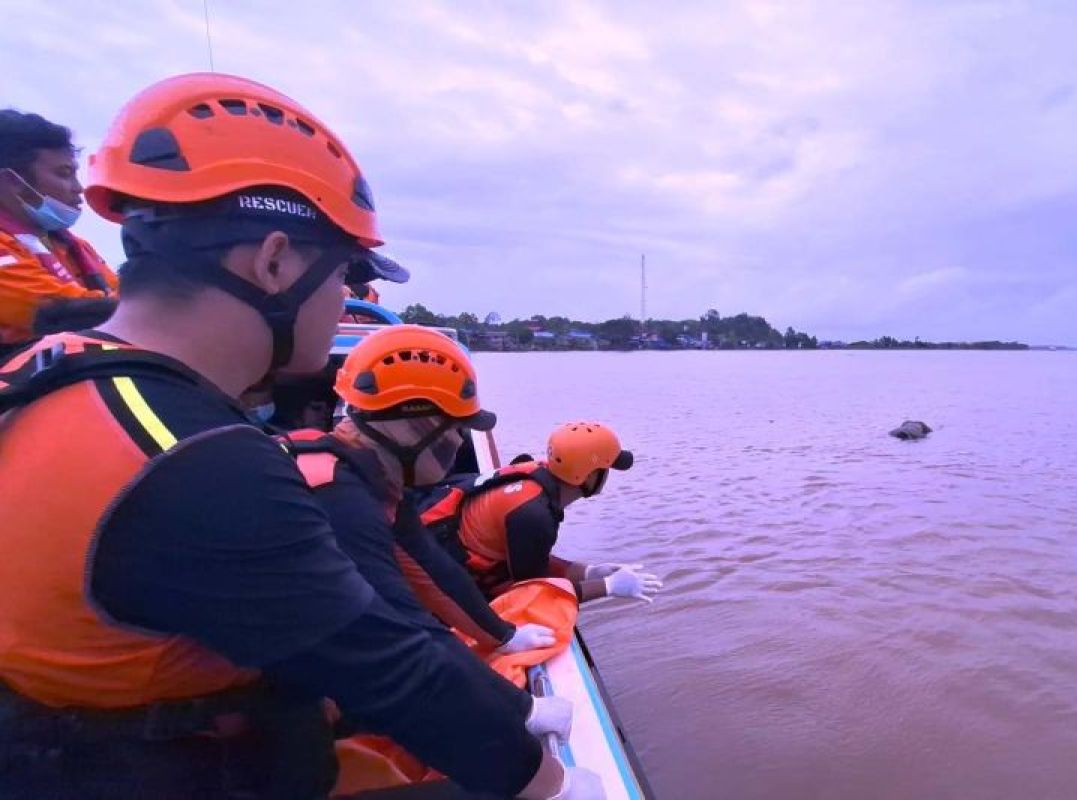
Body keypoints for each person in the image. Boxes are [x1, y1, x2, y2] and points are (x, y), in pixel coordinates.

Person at [0, 73, 597, 799]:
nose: (349, 297)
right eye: (345, 272)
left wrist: (505, 699)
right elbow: (387, 666)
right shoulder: (196, 461)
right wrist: (555, 784)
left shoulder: (52, 372)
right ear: (274, 261)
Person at [287, 323, 557, 654]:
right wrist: (517, 708)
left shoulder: (371, 483)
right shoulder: (339, 501)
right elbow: (396, 625)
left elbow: (433, 571)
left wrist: (503, 636)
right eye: (456, 427)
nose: (459, 442)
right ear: (411, 428)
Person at [424, 422, 664, 603]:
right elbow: (534, 590)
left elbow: (531, 559)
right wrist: (608, 587)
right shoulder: (535, 516)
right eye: (606, 468)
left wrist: (589, 571)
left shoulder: (536, 474)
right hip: (439, 573)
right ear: (590, 476)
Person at [0, 109, 118, 356]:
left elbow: (120, 294)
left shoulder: (72, 245)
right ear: (12, 182)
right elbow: (57, 311)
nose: (79, 188)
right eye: (64, 174)